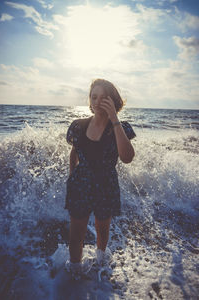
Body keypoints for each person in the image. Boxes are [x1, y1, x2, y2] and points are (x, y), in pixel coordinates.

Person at [65, 78, 136, 276]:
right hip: (80, 184)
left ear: (113, 101)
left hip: (106, 184)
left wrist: (114, 119)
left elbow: (127, 158)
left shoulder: (121, 128)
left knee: (102, 229)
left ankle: (100, 263)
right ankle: (74, 272)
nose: (97, 101)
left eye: (104, 98)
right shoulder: (77, 125)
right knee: (76, 234)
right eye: (94, 97)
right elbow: (74, 151)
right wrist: (72, 175)